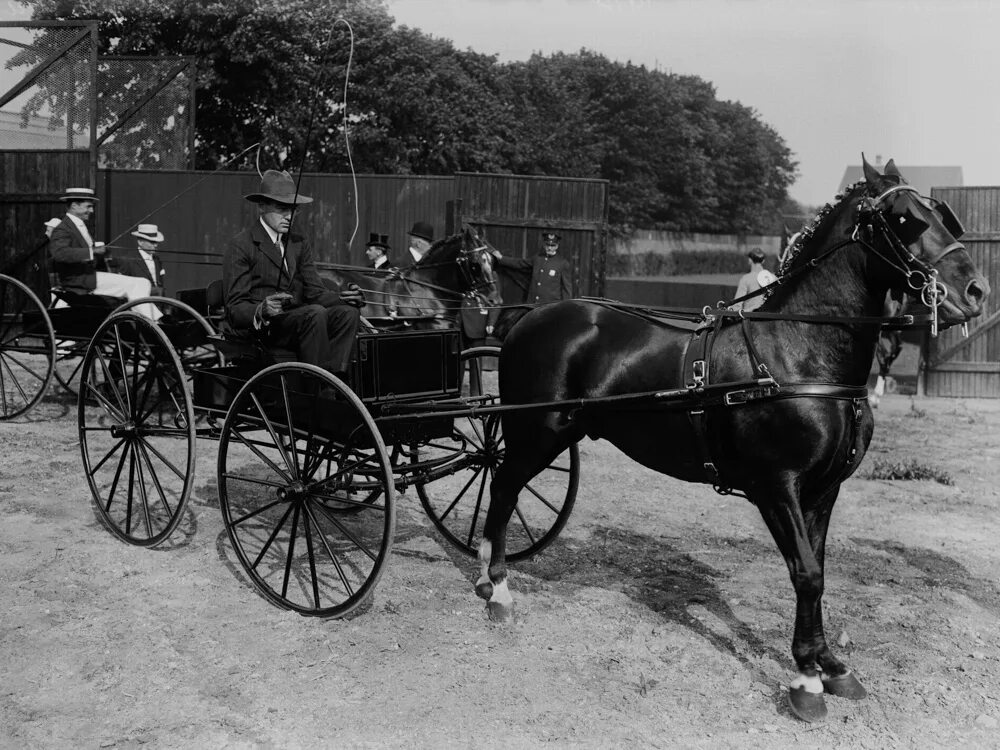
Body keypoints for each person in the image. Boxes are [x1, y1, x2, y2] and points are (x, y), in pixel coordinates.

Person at [222, 169, 364, 377]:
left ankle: (337, 380)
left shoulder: (298, 242)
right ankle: (317, 387)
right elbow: (235, 307)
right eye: (282, 208)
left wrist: (344, 298)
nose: (289, 216)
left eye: (294, 210)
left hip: (301, 322)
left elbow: (316, 292)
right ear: (262, 207)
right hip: (266, 330)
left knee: (348, 314)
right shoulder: (241, 245)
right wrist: (262, 309)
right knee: (314, 313)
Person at [48, 187, 160, 319]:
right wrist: (92, 251)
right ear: (74, 205)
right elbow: (59, 253)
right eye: (88, 206)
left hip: (89, 277)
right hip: (80, 282)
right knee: (138, 284)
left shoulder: (79, 226)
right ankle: (153, 323)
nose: (91, 210)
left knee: (143, 283)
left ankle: (156, 319)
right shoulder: (63, 229)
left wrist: (101, 254)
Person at [492, 230, 572, 304]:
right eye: (547, 245)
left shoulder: (562, 263)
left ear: (557, 246)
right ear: (544, 245)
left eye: (552, 245)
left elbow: (566, 289)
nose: (549, 248)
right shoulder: (537, 258)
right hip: (532, 303)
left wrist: (566, 307)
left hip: (550, 306)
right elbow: (520, 263)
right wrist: (502, 258)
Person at [113, 223, 166, 297]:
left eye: (156, 242)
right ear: (140, 242)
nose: (155, 245)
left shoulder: (156, 259)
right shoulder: (128, 260)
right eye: (152, 242)